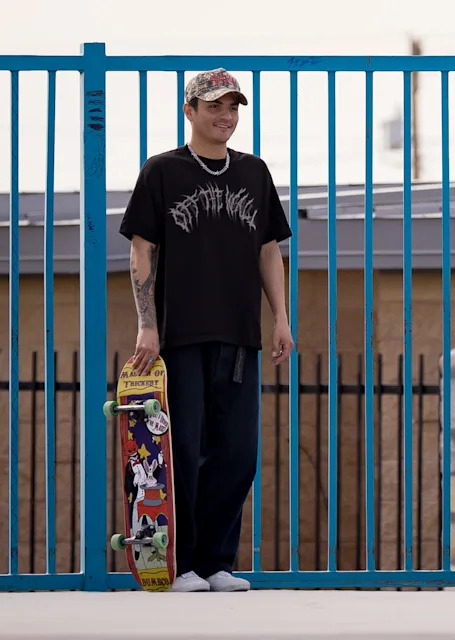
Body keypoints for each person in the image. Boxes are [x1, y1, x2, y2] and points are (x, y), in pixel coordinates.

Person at [119, 68, 294, 593]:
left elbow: (268, 249)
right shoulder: (162, 172)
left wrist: (280, 316)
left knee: (237, 454)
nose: (226, 116)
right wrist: (147, 324)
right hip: (180, 336)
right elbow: (141, 249)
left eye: (234, 107)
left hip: (239, 334)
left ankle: (218, 562)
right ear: (190, 111)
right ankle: (182, 565)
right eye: (215, 106)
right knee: (183, 453)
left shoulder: (254, 173)